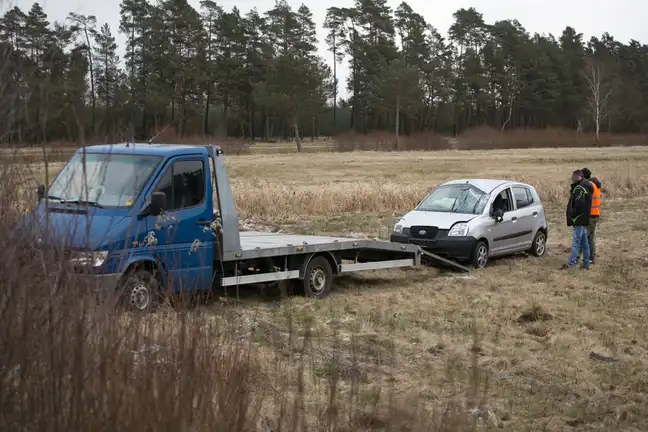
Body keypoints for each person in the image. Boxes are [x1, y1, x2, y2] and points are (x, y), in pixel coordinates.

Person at [562, 170, 593, 270]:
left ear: (580, 177)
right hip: (584, 219)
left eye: (574, 177)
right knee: (585, 244)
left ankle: (571, 263)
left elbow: (579, 205)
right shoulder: (586, 187)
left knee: (576, 243)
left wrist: (572, 215)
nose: (572, 179)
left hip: (579, 220)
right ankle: (586, 265)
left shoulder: (580, 189)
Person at [579, 167, 601, 264]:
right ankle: (592, 258)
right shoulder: (594, 185)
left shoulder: (587, 186)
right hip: (595, 215)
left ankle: (576, 258)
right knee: (590, 237)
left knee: (582, 237)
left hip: (589, 216)